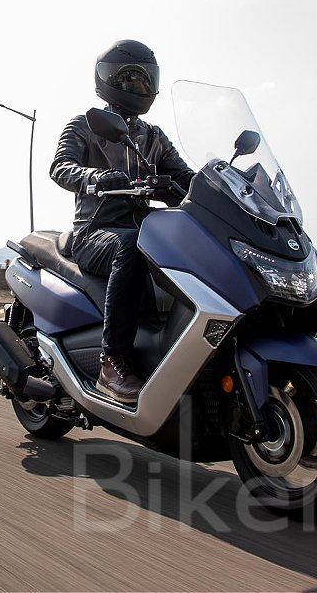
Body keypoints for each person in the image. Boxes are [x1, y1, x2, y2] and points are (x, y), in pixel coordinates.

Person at [50, 40, 196, 404]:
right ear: (110, 81)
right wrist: (96, 177)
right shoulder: (85, 125)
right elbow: (60, 167)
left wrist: (222, 185)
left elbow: (186, 179)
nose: (139, 86)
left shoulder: (154, 136)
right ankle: (111, 361)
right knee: (132, 246)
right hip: (94, 230)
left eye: (145, 80)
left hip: (144, 226)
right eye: (131, 79)